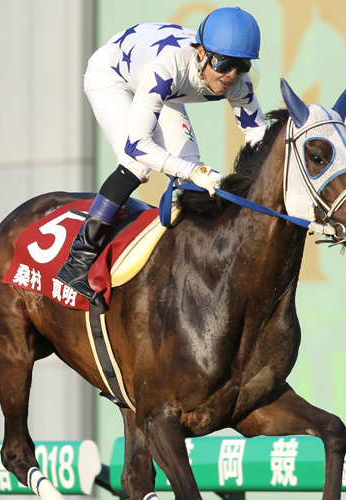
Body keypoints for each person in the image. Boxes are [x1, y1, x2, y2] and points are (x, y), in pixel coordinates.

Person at [56, 7, 267, 310]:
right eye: (224, 63)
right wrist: (194, 172)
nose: (231, 75)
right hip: (113, 77)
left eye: (242, 66)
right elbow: (137, 145)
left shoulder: (236, 83)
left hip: (159, 87)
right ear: (202, 53)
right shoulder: (167, 69)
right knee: (138, 165)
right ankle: (79, 257)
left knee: (190, 171)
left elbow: (258, 136)